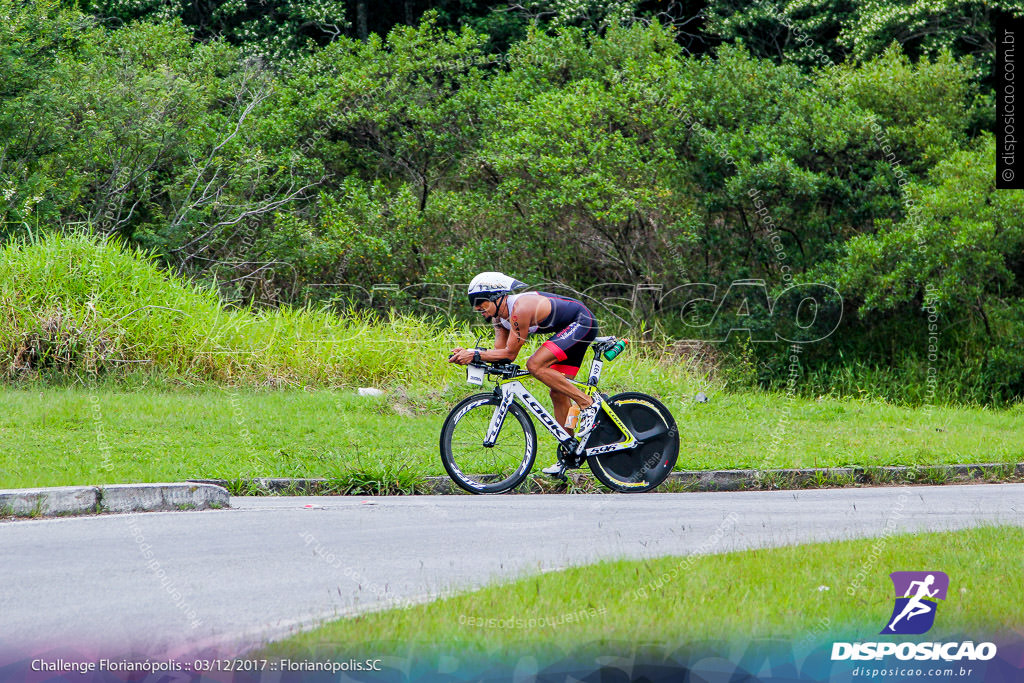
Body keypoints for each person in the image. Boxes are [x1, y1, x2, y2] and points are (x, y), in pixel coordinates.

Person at [448, 272, 599, 476]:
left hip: (581, 322)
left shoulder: (520, 308)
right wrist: (473, 355)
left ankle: (587, 404)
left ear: (497, 297)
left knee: (535, 365)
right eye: (476, 308)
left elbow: (511, 353)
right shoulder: (499, 319)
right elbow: (501, 355)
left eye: (482, 305)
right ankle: (570, 453)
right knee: (558, 393)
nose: (479, 311)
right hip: (567, 330)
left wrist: (475, 354)